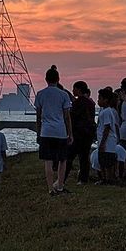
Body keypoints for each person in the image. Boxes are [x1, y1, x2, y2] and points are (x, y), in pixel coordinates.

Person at [35, 65, 73, 196]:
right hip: (60, 131)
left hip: (46, 131)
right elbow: (67, 116)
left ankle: (50, 188)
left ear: (46, 79)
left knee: (48, 161)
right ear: (58, 79)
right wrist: (70, 134)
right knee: (63, 160)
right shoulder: (63, 95)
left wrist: (38, 132)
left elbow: (38, 116)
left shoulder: (40, 94)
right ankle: (61, 185)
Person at [65, 81, 96, 185]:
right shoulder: (91, 103)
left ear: (78, 89)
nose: (73, 91)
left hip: (78, 133)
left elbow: (73, 118)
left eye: (74, 88)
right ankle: (83, 179)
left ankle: (63, 178)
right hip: (88, 133)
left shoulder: (78, 103)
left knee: (69, 157)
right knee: (84, 157)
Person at [96, 87, 120, 185]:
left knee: (107, 162)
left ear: (106, 100)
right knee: (103, 160)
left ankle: (108, 179)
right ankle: (105, 179)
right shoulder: (105, 111)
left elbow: (107, 127)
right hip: (105, 140)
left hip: (108, 142)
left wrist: (102, 143)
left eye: (100, 98)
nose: (98, 100)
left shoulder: (106, 112)